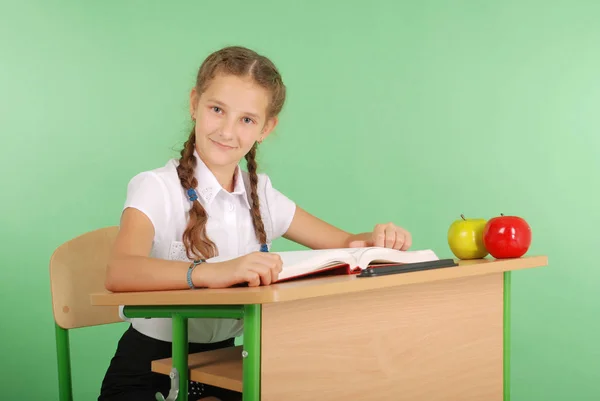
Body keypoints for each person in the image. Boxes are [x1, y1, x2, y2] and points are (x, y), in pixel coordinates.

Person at [98, 45, 412, 401]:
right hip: (149, 366)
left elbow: (344, 244)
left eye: (247, 119)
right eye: (217, 110)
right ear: (194, 104)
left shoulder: (260, 193)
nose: (228, 131)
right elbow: (119, 271)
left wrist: (377, 240)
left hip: (227, 363)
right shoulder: (156, 187)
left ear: (266, 128)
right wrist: (209, 272)